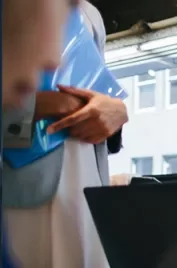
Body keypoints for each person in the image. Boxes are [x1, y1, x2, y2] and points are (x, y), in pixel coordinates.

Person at [2, 1, 128, 267]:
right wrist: (44, 105)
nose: (52, 60)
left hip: (88, 185)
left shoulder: (90, 14)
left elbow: (97, 90)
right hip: (20, 183)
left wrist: (116, 112)